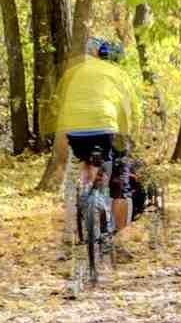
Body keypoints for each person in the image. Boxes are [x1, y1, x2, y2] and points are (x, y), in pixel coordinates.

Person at [54, 37, 147, 240]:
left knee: (86, 160)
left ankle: (84, 197)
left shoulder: (76, 72)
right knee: (120, 184)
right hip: (105, 129)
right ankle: (116, 242)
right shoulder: (118, 75)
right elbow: (131, 111)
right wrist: (130, 136)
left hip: (75, 130)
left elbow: (61, 103)